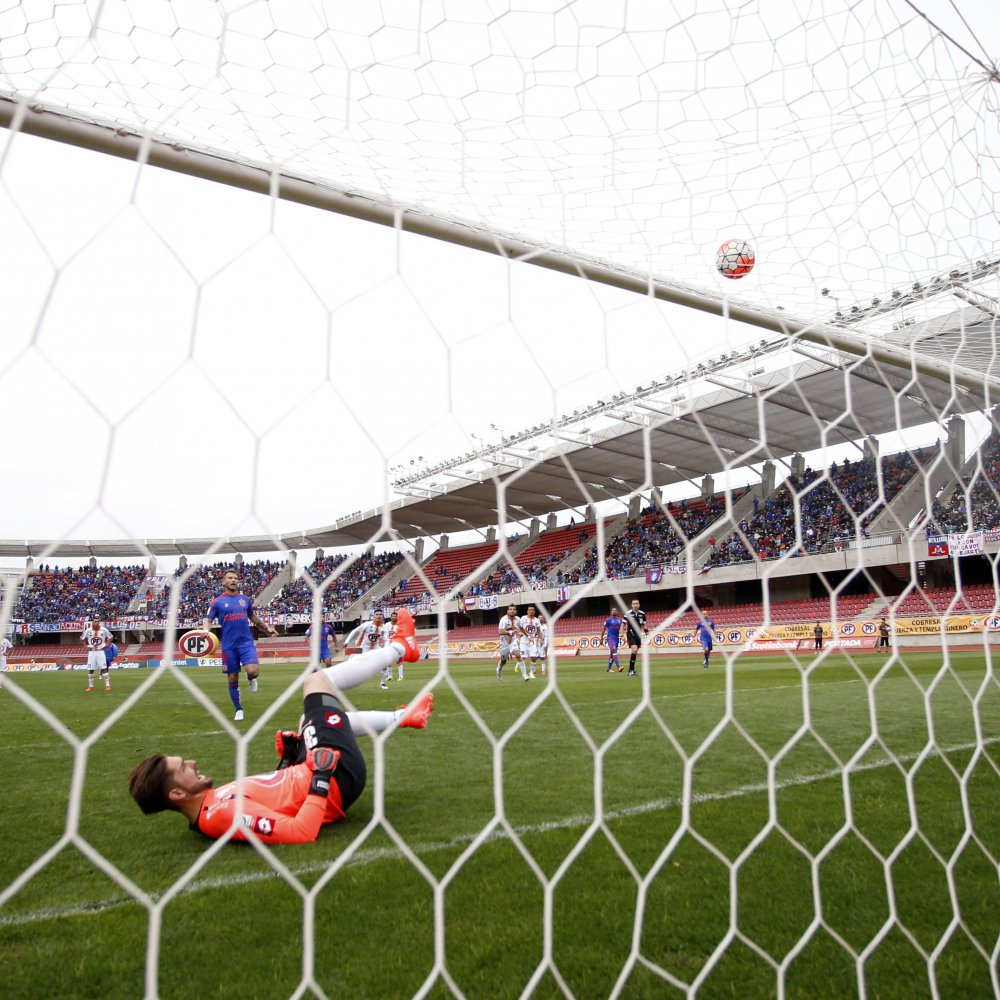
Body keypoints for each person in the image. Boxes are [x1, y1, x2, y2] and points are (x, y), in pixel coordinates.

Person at [127, 609, 428, 844]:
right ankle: (401, 647)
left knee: (308, 720)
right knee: (316, 682)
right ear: (177, 795)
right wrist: (321, 777)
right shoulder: (222, 815)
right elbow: (299, 831)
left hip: (310, 772)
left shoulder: (212, 805)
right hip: (336, 779)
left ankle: (402, 717)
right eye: (183, 767)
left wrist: (288, 761)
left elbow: (279, 799)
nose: (192, 762)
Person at [204, 568, 278, 721]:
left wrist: (267, 628)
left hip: (246, 644)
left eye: (235, 578)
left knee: (254, 671)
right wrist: (206, 631)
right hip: (229, 646)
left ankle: (250, 678)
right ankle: (238, 709)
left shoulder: (245, 599)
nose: (233, 580)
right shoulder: (217, 602)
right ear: (223, 581)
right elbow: (209, 620)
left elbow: (253, 617)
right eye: (230, 578)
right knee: (232, 678)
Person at [344, 610, 390, 689]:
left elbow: (386, 639)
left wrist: (386, 648)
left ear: (382, 616)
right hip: (365, 646)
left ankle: (382, 683)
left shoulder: (384, 627)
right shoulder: (367, 624)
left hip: (376, 646)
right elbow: (355, 631)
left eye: (380, 614)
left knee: (384, 664)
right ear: (373, 616)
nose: (379, 616)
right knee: (357, 664)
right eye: (377, 614)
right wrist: (347, 641)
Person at [81, 618, 114, 692]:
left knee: (103, 668)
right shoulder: (88, 630)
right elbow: (82, 638)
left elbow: (111, 637)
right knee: (91, 669)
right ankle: (91, 686)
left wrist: (107, 645)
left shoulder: (104, 630)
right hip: (92, 652)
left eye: (98, 622)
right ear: (92, 622)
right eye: (95, 621)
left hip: (100, 651)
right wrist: (86, 647)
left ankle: (107, 685)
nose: (96, 623)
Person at [497, 604, 527, 681]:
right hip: (504, 643)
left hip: (513, 641)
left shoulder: (518, 619)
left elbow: (521, 628)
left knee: (518, 655)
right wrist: (511, 632)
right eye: (510, 609)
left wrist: (527, 635)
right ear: (507, 611)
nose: (512, 611)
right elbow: (500, 631)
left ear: (516, 611)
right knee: (503, 661)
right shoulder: (504, 619)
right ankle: (499, 669)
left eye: (514, 609)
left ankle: (525, 675)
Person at [623, 598, 648, 676]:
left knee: (635, 652)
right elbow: (623, 624)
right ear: (631, 605)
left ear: (639, 605)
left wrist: (647, 632)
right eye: (634, 603)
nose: (635, 605)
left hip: (638, 634)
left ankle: (631, 670)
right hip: (630, 633)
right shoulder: (628, 613)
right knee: (634, 649)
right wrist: (622, 634)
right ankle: (631, 670)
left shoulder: (642, 614)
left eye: (637, 603)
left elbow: (644, 624)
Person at [518, 604, 544, 679]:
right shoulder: (523, 618)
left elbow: (538, 630)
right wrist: (526, 635)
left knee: (534, 657)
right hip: (523, 641)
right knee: (522, 657)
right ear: (527, 611)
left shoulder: (536, 620)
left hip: (532, 642)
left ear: (534, 611)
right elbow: (520, 628)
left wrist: (540, 639)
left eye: (532, 610)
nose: (531, 611)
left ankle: (531, 673)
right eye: (530, 610)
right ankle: (521, 670)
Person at [600, 608, 625, 672]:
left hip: (616, 638)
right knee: (614, 651)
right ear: (611, 612)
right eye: (613, 610)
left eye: (615, 610)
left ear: (617, 612)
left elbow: (623, 628)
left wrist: (622, 635)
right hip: (610, 638)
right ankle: (619, 666)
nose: (614, 611)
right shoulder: (608, 620)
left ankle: (609, 668)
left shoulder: (620, 620)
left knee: (612, 654)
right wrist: (601, 638)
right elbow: (603, 629)